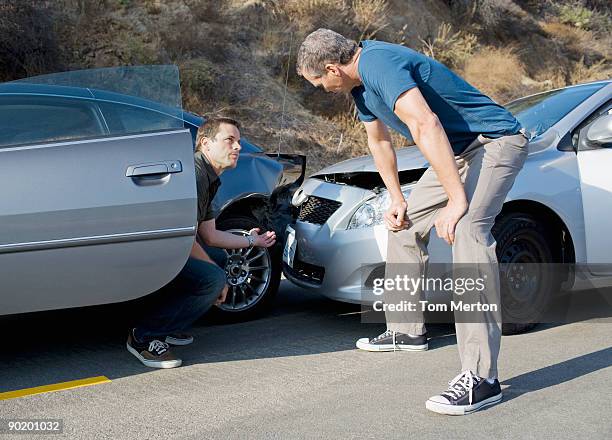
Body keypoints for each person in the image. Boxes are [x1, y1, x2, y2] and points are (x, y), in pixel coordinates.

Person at [296, 29, 528, 415]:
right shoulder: (360, 89)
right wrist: (398, 199)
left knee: (468, 232)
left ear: (332, 68)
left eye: (318, 81)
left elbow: (426, 125)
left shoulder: (378, 63)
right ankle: (406, 329)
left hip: (495, 142)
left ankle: (482, 377)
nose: (322, 88)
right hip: (457, 153)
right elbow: (379, 142)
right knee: (402, 227)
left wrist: (457, 200)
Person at [127, 117, 276, 369]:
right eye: (230, 140)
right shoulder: (195, 174)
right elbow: (186, 237)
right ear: (206, 144)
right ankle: (145, 336)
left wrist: (252, 240)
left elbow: (209, 235)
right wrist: (217, 275)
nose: (238, 147)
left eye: (239, 141)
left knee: (217, 260)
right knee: (212, 277)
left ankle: (171, 324)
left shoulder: (209, 177)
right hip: (149, 245)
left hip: (170, 243)